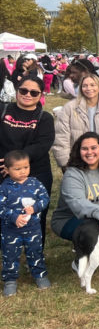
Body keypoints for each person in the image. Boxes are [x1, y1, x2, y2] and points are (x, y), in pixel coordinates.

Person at [50, 133, 99, 267]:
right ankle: (81, 260)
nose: (89, 152)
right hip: (69, 220)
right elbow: (78, 201)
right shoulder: (72, 174)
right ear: (78, 151)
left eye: (93, 148)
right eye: (84, 149)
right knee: (93, 227)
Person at [0, 76, 55, 247]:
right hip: (3, 170)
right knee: (4, 210)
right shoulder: (3, 110)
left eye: (34, 92)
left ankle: (36, 251)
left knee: (36, 212)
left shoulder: (44, 117)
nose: (28, 95)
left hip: (35, 172)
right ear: (16, 90)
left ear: (40, 95)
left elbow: (42, 144)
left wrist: (15, 163)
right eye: (23, 90)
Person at [1, 150, 51, 296]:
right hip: (10, 230)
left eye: (26, 167)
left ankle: (40, 275)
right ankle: (10, 280)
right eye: (17, 169)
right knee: (9, 255)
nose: (23, 172)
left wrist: (35, 208)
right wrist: (13, 217)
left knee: (35, 252)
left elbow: (45, 199)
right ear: (7, 170)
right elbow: (1, 207)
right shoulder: (4, 188)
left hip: (33, 228)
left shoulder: (35, 184)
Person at [52, 75, 99, 168]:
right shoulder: (70, 108)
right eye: (84, 86)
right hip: (76, 161)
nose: (88, 88)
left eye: (92, 85)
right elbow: (61, 137)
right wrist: (66, 163)